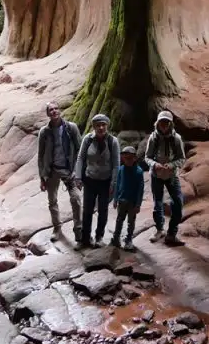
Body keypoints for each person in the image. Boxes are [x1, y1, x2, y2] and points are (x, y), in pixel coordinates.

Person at [36, 101, 82, 242]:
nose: (54, 111)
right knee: (52, 201)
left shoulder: (71, 128)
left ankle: (78, 229)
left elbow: (80, 150)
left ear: (60, 110)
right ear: (48, 113)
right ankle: (57, 228)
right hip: (52, 170)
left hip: (68, 170)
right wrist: (42, 177)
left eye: (56, 108)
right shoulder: (44, 132)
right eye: (51, 110)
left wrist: (78, 172)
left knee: (76, 199)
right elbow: (41, 155)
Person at [73, 113, 120, 248]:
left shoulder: (113, 142)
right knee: (87, 210)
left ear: (107, 126)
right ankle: (85, 238)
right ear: (93, 126)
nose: (100, 128)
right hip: (90, 180)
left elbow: (116, 164)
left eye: (103, 125)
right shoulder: (87, 139)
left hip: (105, 181)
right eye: (98, 125)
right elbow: (81, 158)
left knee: (103, 210)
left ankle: (99, 237)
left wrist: (114, 183)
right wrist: (78, 176)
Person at [145, 110, 186, 246]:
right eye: (161, 122)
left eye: (166, 123)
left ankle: (172, 233)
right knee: (158, 203)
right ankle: (159, 229)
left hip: (171, 175)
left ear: (171, 124)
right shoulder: (153, 138)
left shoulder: (176, 139)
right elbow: (147, 157)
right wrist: (155, 164)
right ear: (157, 123)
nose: (164, 125)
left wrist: (171, 165)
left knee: (178, 202)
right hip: (156, 174)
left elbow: (181, 158)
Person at [110, 145, 145, 251]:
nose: (127, 160)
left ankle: (128, 240)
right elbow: (117, 184)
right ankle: (116, 238)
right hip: (121, 200)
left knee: (131, 222)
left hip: (132, 203)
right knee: (119, 220)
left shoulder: (139, 172)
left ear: (135, 158)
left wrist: (138, 204)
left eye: (130, 158)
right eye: (125, 158)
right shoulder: (121, 169)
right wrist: (115, 199)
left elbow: (140, 190)